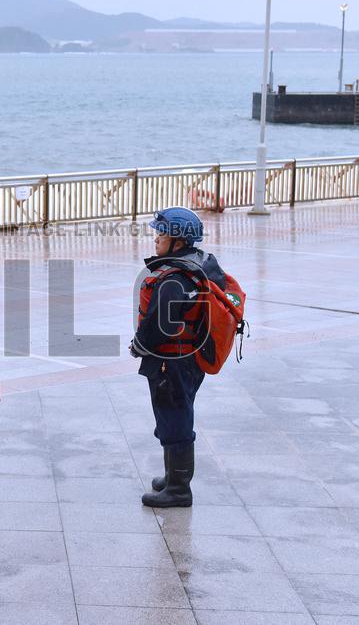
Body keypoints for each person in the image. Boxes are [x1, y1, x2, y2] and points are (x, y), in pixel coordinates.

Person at [131, 206, 224, 508]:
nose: (156, 238)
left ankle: (179, 489)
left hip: (172, 362)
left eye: (161, 233)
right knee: (177, 411)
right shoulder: (200, 265)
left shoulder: (173, 278)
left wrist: (138, 346)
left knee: (174, 417)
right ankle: (173, 476)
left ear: (178, 241)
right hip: (190, 359)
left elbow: (161, 325)